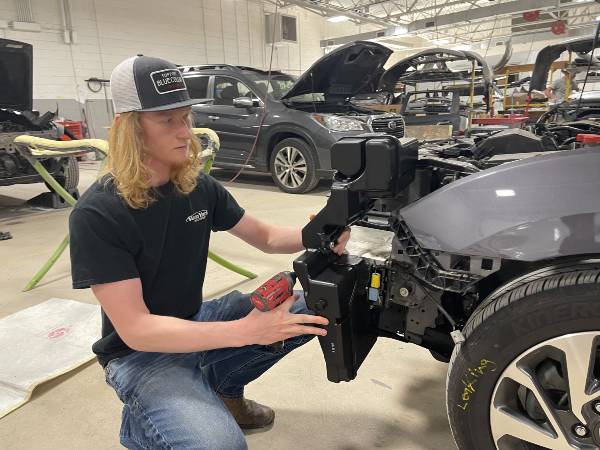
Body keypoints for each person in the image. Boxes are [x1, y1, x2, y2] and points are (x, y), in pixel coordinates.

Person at [68, 55, 350, 450]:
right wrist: (244, 332)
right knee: (220, 446)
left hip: (194, 319)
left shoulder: (196, 186)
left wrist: (319, 232)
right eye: (168, 121)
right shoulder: (99, 213)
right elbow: (136, 328)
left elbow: (266, 236)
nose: (186, 132)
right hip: (139, 355)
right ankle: (140, 429)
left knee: (316, 307)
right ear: (128, 128)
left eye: (186, 117)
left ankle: (224, 390)